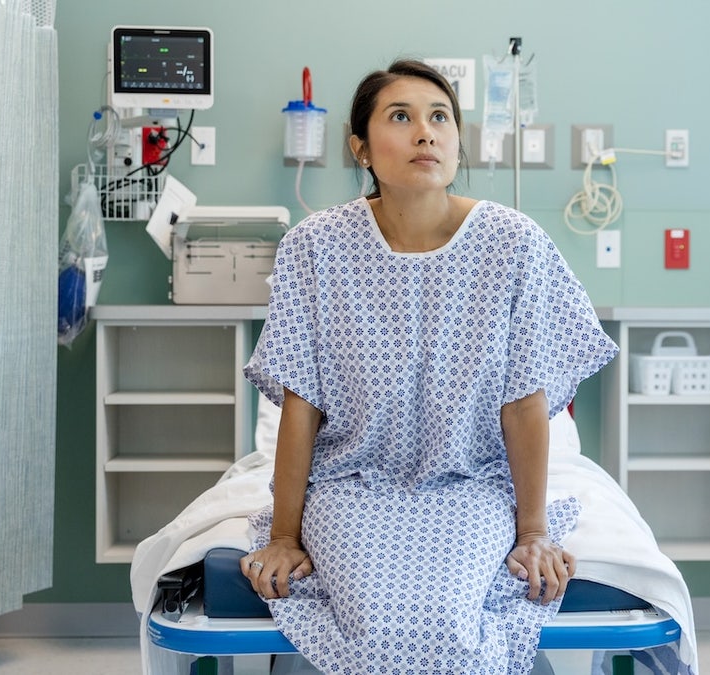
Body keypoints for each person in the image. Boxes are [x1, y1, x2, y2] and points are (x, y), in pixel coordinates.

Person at [240, 58, 618, 674]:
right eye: (401, 117)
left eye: (440, 117)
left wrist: (532, 532)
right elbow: (301, 404)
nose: (425, 132)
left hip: (472, 484)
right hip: (351, 484)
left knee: (444, 618)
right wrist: (284, 535)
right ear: (360, 148)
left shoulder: (514, 243)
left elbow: (525, 400)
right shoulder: (314, 247)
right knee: (376, 622)